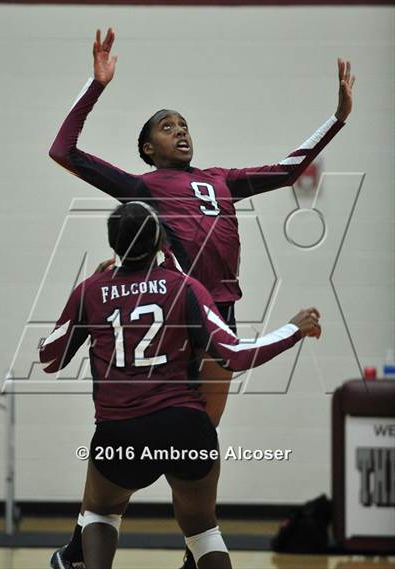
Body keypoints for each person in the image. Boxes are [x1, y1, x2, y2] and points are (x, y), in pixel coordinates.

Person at [48, 27, 354, 569]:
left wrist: (336, 119)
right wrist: (95, 87)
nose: (180, 131)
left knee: (196, 439)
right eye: (167, 127)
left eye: (184, 124)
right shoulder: (143, 186)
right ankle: (89, 541)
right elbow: (63, 149)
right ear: (148, 148)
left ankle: (186, 549)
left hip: (220, 312)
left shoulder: (222, 179)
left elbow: (287, 169)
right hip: (174, 312)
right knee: (134, 425)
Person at [41, 202, 321, 569]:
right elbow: (233, 355)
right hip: (184, 425)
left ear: (113, 245)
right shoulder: (185, 288)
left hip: (120, 431)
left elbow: (49, 358)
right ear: (160, 240)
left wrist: (87, 298)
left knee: (99, 514)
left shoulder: (91, 289)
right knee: (203, 530)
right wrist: (293, 329)